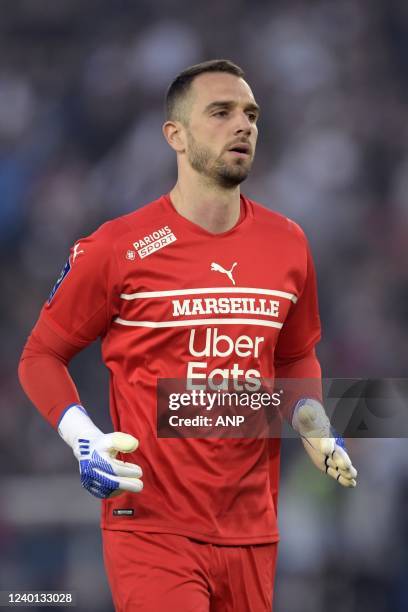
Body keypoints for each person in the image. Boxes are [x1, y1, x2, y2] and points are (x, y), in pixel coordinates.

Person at [18, 59, 357, 612]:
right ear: (174, 135)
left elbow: (296, 355)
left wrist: (315, 425)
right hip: (152, 529)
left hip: (253, 531)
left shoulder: (289, 244)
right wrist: (82, 436)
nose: (242, 125)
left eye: (250, 114)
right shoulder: (117, 248)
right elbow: (40, 355)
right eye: (220, 113)